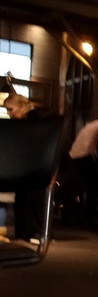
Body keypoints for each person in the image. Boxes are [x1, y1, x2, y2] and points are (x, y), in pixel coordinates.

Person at [2, 91, 49, 242]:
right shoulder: (33, 118)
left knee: (27, 199)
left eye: (11, 109)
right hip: (34, 167)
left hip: (34, 169)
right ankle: (27, 232)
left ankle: (31, 232)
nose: (9, 114)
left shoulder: (31, 121)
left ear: (22, 106)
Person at [58, 109, 98, 225]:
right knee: (93, 186)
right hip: (84, 156)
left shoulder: (90, 124)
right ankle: (89, 216)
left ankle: (67, 215)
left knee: (76, 185)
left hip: (73, 156)